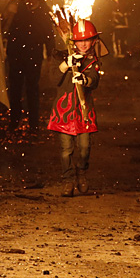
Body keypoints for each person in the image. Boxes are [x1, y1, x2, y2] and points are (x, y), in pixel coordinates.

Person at [46, 19, 104, 197]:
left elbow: (94, 79)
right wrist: (66, 65)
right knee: (66, 150)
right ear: (73, 41)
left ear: (93, 41)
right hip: (63, 112)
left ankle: (81, 173)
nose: (84, 44)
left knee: (85, 147)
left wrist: (84, 80)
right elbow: (52, 80)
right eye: (80, 40)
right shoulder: (60, 57)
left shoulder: (92, 60)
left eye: (87, 40)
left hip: (83, 111)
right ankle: (68, 180)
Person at [5, 0, 55, 134]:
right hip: (17, 55)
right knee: (15, 89)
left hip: (34, 56)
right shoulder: (18, 10)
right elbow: (9, 30)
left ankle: (34, 124)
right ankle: (14, 120)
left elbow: (48, 35)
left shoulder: (44, 13)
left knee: (32, 89)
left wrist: (50, 54)